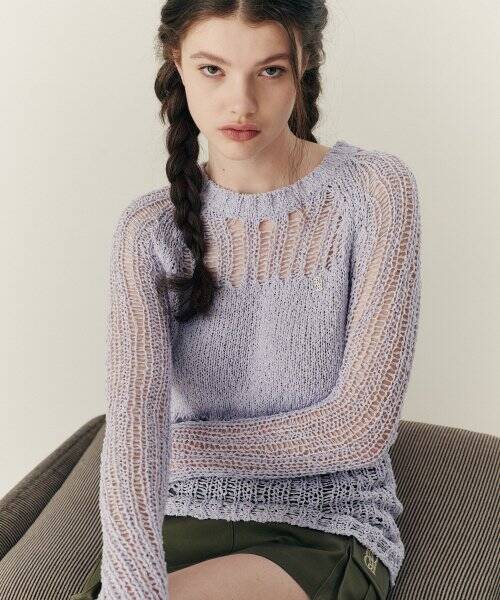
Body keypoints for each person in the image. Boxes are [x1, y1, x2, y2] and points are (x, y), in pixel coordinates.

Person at [71, 2, 422, 599]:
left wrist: (173, 447)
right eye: (213, 69)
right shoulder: (147, 230)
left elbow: (358, 430)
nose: (241, 103)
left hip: (322, 524)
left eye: (270, 70)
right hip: (177, 518)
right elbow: (132, 439)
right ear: (177, 63)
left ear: (303, 65)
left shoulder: (374, 192)